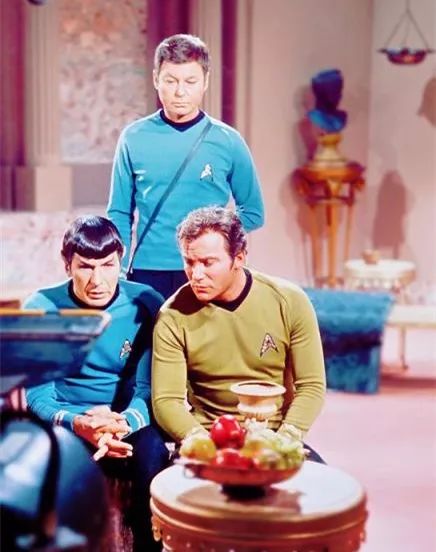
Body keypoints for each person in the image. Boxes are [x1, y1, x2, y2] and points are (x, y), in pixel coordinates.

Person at [24, 215, 169, 552]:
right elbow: (38, 396)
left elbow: (149, 387)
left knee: (153, 455)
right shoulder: (42, 308)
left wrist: (122, 423)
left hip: (125, 419)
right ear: (67, 265)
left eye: (108, 265)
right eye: (86, 267)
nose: (98, 280)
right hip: (68, 420)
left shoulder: (146, 302)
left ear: (121, 260)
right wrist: (79, 423)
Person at [152, 206, 326, 460]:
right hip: (207, 435)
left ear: (239, 258)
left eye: (208, 263)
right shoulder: (172, 316)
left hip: (274, 433)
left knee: (322, 484)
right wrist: (202, 443)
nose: (196, 275)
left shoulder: (290, 301)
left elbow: (311, 386)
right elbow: (167, 401)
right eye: (189, 262)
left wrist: (284, 440)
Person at [107, 33, 264, 299]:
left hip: (208, 269)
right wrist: (119, 269)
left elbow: (253, 212)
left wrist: (215, 244)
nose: (180, 92)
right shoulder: (133, 138)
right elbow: (119, 212)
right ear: (156, 79)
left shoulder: (227, 141)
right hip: (148, 270)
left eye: (190, 81)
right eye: (171, 81)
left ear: (205, 82)